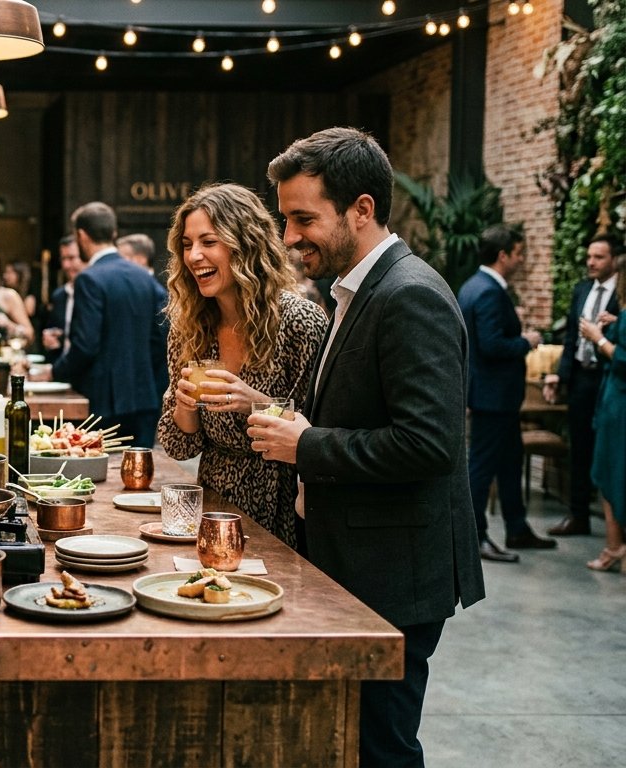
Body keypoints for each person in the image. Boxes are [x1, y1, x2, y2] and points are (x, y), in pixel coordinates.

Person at [246, 127, 485, 767]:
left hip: (395, 570)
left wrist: (309, 445)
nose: (291, 238)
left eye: (303, 219)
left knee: (382, 747)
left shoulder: (410, 295)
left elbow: (429, 443)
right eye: (287, 219)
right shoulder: (356, 289)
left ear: (362, 210)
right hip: (360, 559)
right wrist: (288, 420)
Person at [157, 183, 327, 549]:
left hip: (283, 509)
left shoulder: (300, 321)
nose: (194, 256)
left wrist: (254, 401)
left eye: (209, 241)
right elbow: (178, 446)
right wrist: (185, 406)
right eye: (187, 244)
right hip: (213, 506)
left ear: (246, 244)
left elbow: (319, 433)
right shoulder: (189, 327)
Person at [458, 224, 554, 562]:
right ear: (503, 255)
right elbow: (492, 345)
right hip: (492, 397)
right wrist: (526, 341)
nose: (522, 258)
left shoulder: (474, 285)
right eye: (519, 252)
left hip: (496, 396)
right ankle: (476, 536)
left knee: (510, 463)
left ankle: (517, 528)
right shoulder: (488, 291)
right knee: (482, 467)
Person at [52, 202, 167, 447]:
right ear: (113, 233)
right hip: (145, 398)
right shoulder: (144, 277)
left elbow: (85, 345)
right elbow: (161, 338)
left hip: (104, 400)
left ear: (81, 236)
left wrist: (54, 372)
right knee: (140, 476)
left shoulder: (89, 279)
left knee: (101, 475)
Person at [543, 234, 619, 536]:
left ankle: (616, 526)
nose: (591, 262)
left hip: (608, 378)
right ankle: (578, 516)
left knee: (610, 450)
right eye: (589, 256)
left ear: (613, 260)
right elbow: (571, 339)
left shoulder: (621, 297)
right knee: (580, 448)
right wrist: (561, 377)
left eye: (598, 257)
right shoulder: (581, 290)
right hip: (581, 379)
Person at [577, 258, 626, 571]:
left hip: (619, 403)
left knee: (612, 470)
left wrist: (600, 338)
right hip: (613, 398)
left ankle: (614, 547)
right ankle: (615, 546)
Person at [42, 234, 82, 363]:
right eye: (63, 259)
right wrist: (50, 339)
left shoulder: (96, 293)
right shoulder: (59, 296)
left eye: (71, 258)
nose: (65, 265)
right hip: (62, 370)